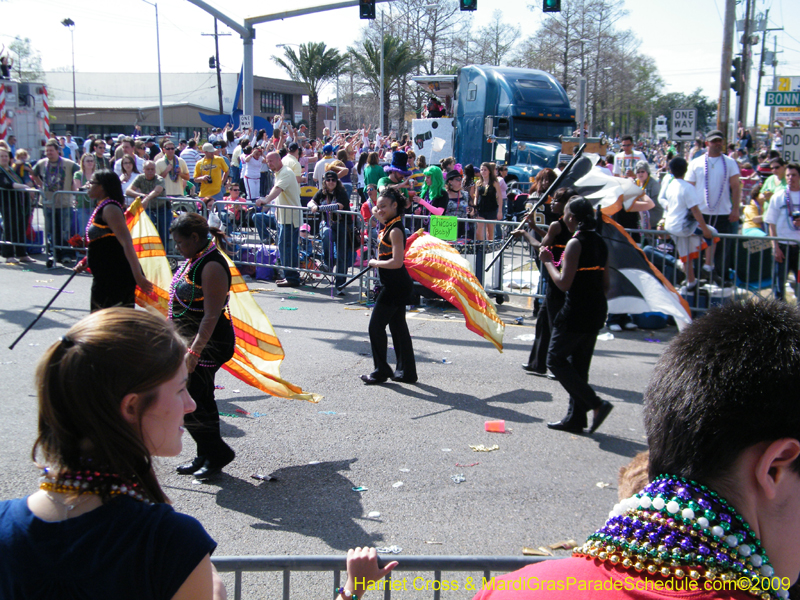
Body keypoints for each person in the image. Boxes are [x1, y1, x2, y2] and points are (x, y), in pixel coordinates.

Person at [0, 308, 226, 599]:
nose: (191, 405)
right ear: (131, 407)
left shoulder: (6, 525)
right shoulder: (170, 542)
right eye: (181, 389)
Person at [169, 213, 236, 479]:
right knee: (201, 398)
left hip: (209, 343)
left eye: (180, 243)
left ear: (195, 238)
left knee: (191, 400)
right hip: (193, 342)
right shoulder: (195, 259)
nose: (177, 248)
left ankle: (217, 453)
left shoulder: (212, 265)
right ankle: (205, 454)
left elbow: (211, 315)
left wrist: (194, 352)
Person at [539, 196, 613, 434]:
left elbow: (563, 283)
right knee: (579, 366)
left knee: (555, 359)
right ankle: (575, 419)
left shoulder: (575, 243)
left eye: (567, 215)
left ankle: (596, 404)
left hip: (576, 310)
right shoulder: (600, 241)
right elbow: (606, 284)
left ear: (571, 218)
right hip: (596, 308)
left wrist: (549, 261)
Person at [361, 187, 417, 385]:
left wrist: (375, 263)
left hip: (395, 286)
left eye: (384, 206)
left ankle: (381, 370)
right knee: (398, 328)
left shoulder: (395, 231)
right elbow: (378, 213)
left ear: (395, 206)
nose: (380, 210)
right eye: (378, 207)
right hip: (394, 284)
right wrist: (377, 209)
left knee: (375, 327)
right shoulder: (388, 222)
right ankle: (407, 372)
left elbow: (397, 262)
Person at [75, 170, 152, 311]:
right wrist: (85, 261)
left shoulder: (111, 208)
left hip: (115, 278)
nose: (88, 185)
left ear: (102, 186)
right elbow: (106, 243)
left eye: (92, 182)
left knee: (113, 325)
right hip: (104, 277)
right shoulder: (103, 206)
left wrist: (138, 277)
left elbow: (126, 243)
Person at [519, 187, 576, 378]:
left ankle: (558, 365)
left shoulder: (558, 224)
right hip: (560, 276)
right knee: (543, 321)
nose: (552, 202)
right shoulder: (565, 225)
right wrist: (533, 227)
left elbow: (542, 245)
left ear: (566, 204)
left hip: (557, 277)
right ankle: (538, 363)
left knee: (555, 324)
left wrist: (525, 235)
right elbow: (551, 237)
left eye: (557, 200)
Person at [686, 129, 741, 285]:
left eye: (720, 141)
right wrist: (689, 211)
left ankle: (720, 277)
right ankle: (697, 278)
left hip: (723, 213)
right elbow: (689, 188)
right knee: (697, 248)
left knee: (722, 249)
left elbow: (736, 186)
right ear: (707, 143)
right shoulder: (696, 163)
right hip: (700, 214)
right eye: (714, 141)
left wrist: (736, 209)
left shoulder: (730, 162)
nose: (718, 144)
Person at [661, 157, 716, 293]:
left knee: (686, 254)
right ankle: (708, 266)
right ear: (686, 170)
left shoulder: (670, 185)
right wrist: (705, 230)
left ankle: (691, 281)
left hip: (671, 225)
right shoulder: (688, 188)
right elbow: (695, 211)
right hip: (683, 226)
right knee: (713, 233)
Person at [256, 151, 302, 288]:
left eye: (271, 161)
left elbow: (277, 189)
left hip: (290, 218)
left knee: (288, 248)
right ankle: (289, 275)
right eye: (267, 161)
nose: (269, 164)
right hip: (283, 217)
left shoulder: (286, 172)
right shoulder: (279, 173)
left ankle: (292, 277)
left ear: (278, 160)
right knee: (284, 247)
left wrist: (266, 200)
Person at [30, 138, 78, 267]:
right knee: (51, 230)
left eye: (51, 150)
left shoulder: (68, 164)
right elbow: (33, 173)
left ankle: (66, 254)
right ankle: (53, 253)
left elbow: (79, 173)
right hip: (48, 202)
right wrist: (39, 184)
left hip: (64, 202)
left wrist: (76, 189)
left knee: (64, 230)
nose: (49, 153)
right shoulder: (41, 163)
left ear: (58, 151)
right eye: (47, 151)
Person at [308, 170, 352, 291]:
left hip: (342, 225)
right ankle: (327, 262)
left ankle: (340, 284)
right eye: (328, 180)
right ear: (324, 182)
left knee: (341, 255)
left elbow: (339, 206)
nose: (331, 182)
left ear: (337, 181)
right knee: (326, 233)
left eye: (333, 180)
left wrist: (319, 208)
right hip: (328, 225)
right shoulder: (322, 192)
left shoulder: (341, 192)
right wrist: (312, 206)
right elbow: (311, 201)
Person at [765, 162, 800, 301]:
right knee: (779, 287)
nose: (791, 178)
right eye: (788, 175)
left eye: (794, 175)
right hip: (783, 248)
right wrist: (775, 247)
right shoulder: (778, 196)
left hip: (798, 249)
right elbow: (771, 223)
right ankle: (780, 319)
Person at [0, 142, 35, 264]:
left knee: (21, 227)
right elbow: (6, 184)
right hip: (8, 203)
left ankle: (22, 253)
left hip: (19, 203)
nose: (4, 158)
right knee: (10, 228)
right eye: (1, 156)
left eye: (6, 156)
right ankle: (8, 254)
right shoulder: (1, 171)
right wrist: (24, 186)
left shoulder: (10, 170)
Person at [126, 160, 170, 250]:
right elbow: (128, 190)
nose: (150, 171)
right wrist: (140, 195)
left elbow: (157, 190)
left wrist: (146, 198)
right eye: (148, 169)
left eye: (152, 169)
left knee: (164, 231)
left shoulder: (159, 179)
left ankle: (165, 253)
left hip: (162, 209)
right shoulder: (140, 178)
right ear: (143, 169)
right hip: (148, 209)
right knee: (148, 228)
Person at [475, 162, 503, 241]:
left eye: (485, 170)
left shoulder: (494, 182)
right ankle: (480, 247)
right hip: (481, 209)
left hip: (491, 209)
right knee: (478, 231)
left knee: (490, 233)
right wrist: (474, 207)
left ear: (489, 171)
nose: (483, 171)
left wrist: (500, 211)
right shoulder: (478, 183)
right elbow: (476, 196)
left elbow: (500, 197)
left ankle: (489, 249)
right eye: (481, 170)